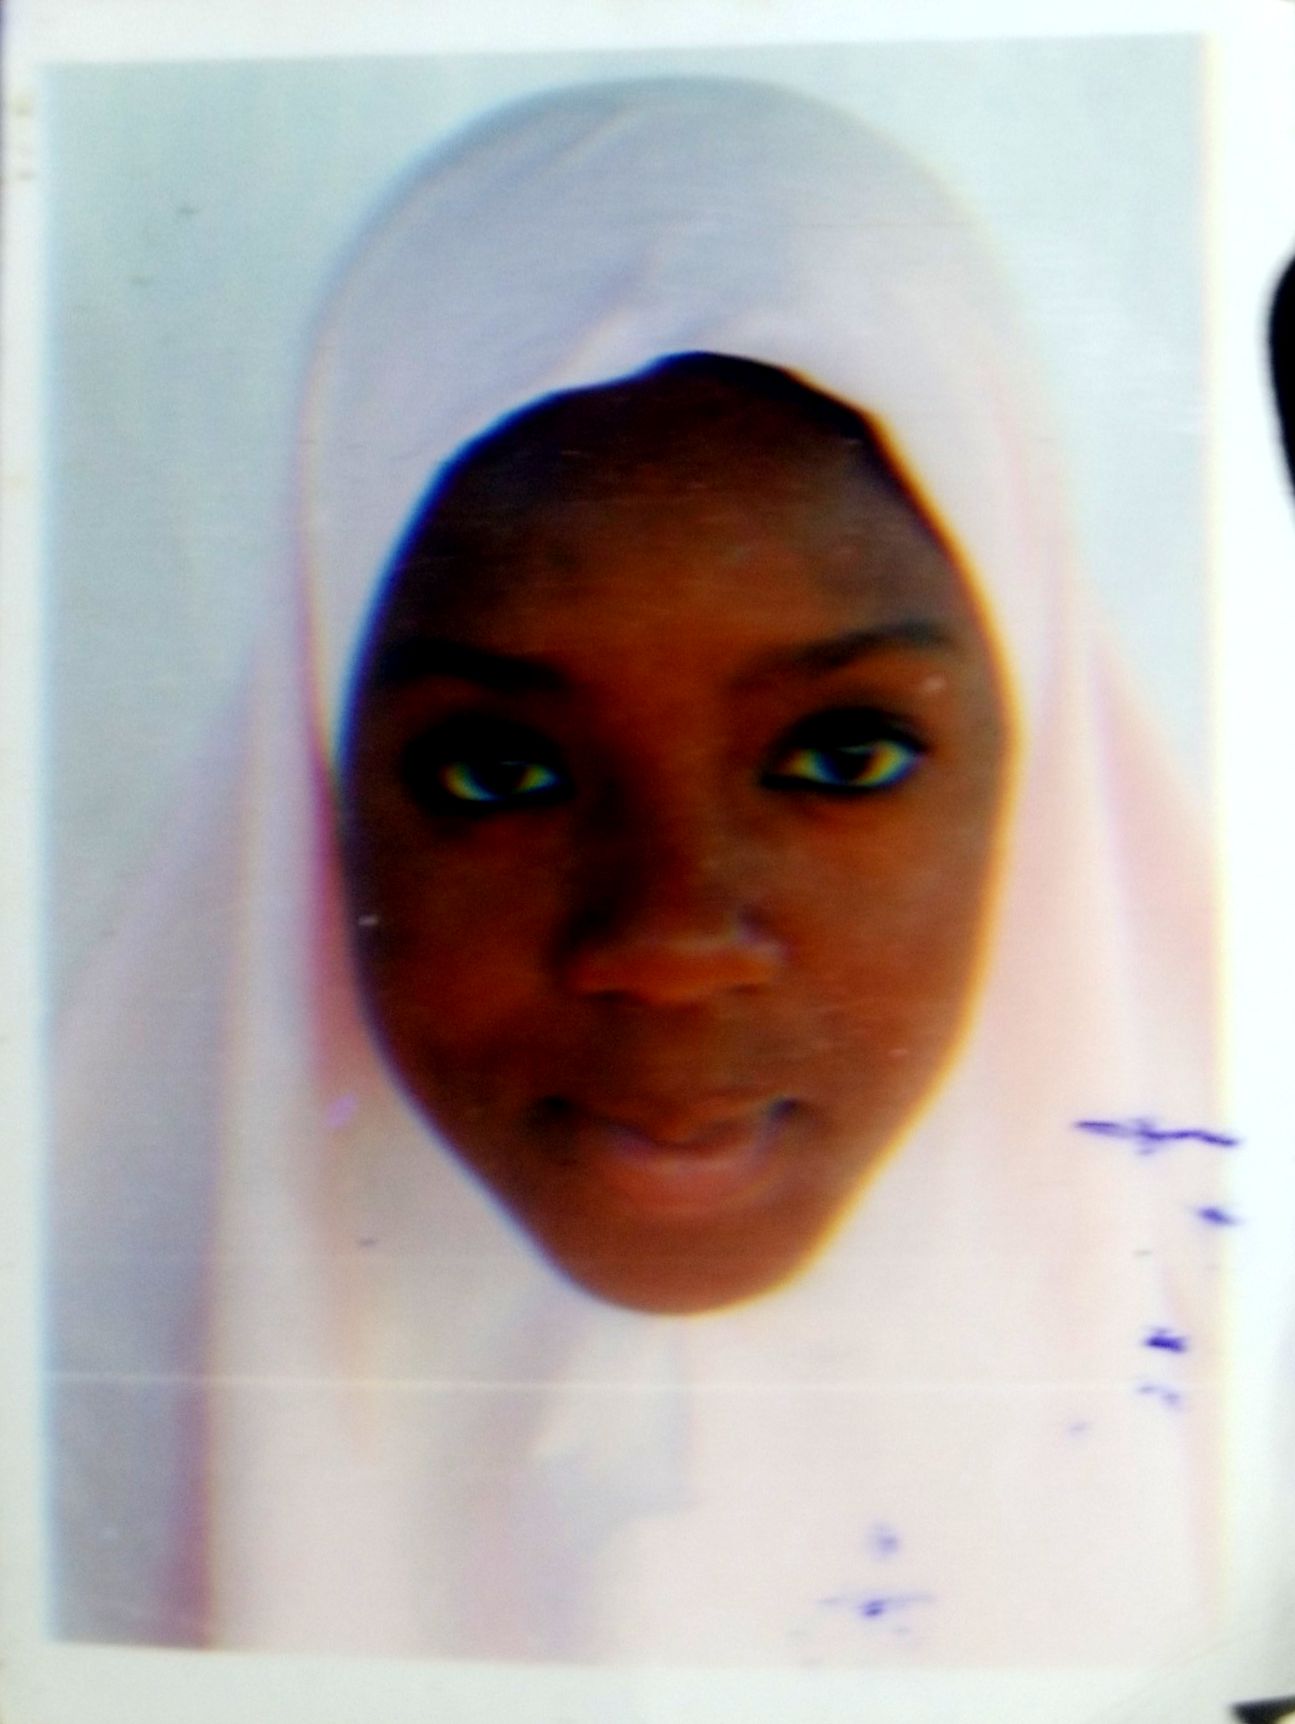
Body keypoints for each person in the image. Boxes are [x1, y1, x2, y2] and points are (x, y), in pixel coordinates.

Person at [52, 77, 1219, 1664]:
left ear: (1038, 767)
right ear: (316, 794)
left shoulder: (1253, 1443)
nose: (672, 940)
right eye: (499, 772)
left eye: (844, 757)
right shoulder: (62, 1451)